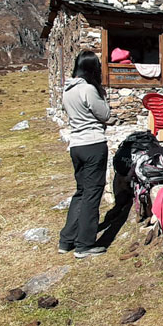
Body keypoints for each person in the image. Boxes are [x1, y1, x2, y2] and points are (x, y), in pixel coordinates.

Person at [59, 51, 111, 258]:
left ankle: (67, 239)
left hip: (76, 145)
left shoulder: (67, 90)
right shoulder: (88, 90)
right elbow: (104, 115)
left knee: (81, 192)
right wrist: (103, 98)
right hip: (93, 144)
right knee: (92, 193)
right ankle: (85, 244)